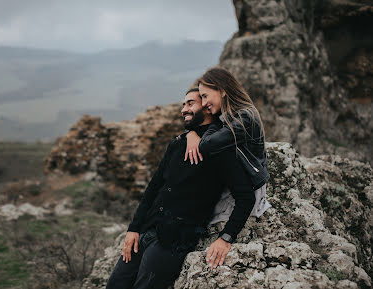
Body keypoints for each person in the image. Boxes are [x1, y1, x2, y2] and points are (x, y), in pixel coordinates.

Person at [106, 87, 252, 289]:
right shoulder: (177, 144)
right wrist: (134, 228)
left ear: (208, 106)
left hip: (174, 241)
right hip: (147, 231)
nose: (184, 109)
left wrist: (226, 238)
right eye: (183, 104)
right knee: (115, 285)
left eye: (190, 103)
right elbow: (153, 189)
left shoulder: (220, 149)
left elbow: (246, 197)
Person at [184, 66, 269, 264]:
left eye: (206, 96)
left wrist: (226, 237)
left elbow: (208, 145)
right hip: (236, 182)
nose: (204, 104)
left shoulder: (245, 117)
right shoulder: (231, 116)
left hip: (247, 192)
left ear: (222, 90)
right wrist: (191, 133)